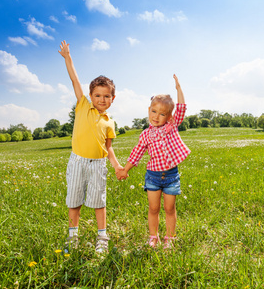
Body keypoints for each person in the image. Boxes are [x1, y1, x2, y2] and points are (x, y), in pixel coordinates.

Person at [58, 40, 123, 253]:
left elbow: (109, 147)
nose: (101, 99)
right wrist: (68, 58)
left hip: (98, 165)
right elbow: (74, 80)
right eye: (97, 95)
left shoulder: (109, 122)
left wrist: (117, 166)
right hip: (77, 161)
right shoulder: (83, 106)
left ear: (113, 98)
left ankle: (102, 237)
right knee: (74, 198)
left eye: (106, 96)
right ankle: (73, 236)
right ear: (91, 96)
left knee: (98, 201)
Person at [117, 74, 190, 249]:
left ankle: (170, 238)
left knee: (170, 208)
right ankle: (153, 237)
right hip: (152, 177)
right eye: (153, 111)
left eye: (162, 114)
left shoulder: (171, 126)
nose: (156, 117)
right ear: (148, 109)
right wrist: (125, 169)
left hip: (171, 176)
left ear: (169, 116)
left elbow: (181, 108)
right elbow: (137, 153)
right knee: (153, 208)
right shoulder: (145, 134)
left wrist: (178, 89)